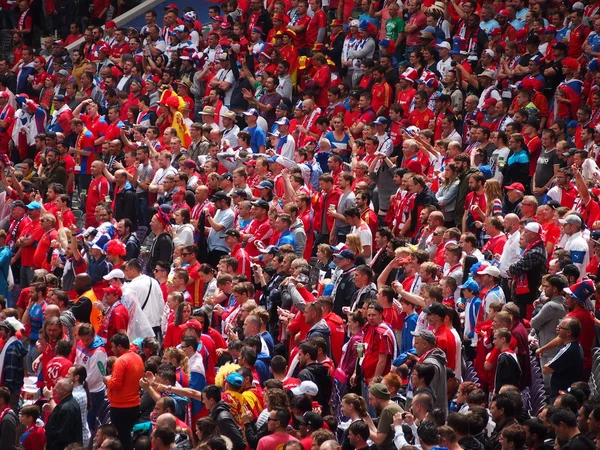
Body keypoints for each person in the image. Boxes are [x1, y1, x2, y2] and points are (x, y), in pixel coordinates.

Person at [104, 333, 144, 450]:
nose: (112, 349)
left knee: (121, 439)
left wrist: (107, 380)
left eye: (113, 346)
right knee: (129, 437)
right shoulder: (138, 357)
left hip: (120, 406)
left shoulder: (121, 361)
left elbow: (116, 384)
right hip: (134, 404)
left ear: (119, 347)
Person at [543, 317, 584, 398]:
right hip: (566, 394)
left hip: (561, 396)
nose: (558, 328)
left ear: (568, 332)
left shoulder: (568, 350)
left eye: (561, 327)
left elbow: (546, 370)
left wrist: (548, 364)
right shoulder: (576, 345)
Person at [45, 378, 83, 450]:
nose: (54, 389)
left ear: (65, 391)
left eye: (58, 387)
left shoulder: (67, 408)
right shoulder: (67, 403)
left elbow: (63, 435)